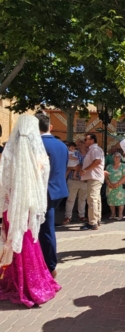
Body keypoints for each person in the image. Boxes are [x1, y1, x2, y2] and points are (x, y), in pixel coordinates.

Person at [0, 115, 61, 307]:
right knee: (30, 243)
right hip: (28, 207)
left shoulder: (9, 154)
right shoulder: (40, 155)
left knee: (14, 242)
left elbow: (3, 183)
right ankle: (33, 282)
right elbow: (42, 183)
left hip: (11, 208)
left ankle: (13, 280)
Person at [36, 112, 69, 278]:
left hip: (44, 192)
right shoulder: (61, 145)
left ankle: (50, 266)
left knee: (45, 230)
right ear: (50, 126)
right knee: (45, 228)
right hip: (59, 190)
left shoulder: (38, 144)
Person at [80, 134, 105, 231]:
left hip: (94, 177)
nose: (85, 141)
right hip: (94, 177)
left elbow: (97, 161)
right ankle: (96, 220)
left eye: (86, 139)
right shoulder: (93, 149)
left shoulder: (95, 149)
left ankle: (93, 222)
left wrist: (85, 170)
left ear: (92, 140)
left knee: (92, 199)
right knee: (96, 199)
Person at [63, 139, 88, 224]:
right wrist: (74, 168)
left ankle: (81, 216)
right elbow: (66, 166)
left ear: (85, 144)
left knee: (82, 199)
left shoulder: (89, 154)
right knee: (70, 199)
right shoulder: (73, 153)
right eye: (79, 143)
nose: (80, 145)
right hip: (73, 179)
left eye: (82, 143)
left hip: (84, 180)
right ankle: (68, 217)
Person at [105, 152, 125, 220]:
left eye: (118, 157)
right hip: (110, 186)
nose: (116, 158)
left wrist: (118, 184)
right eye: (115, 157)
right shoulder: (108, 166)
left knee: (121, 201)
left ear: (120, 158)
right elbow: (105, 177)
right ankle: (113, 214)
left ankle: (120, 214)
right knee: (111, 201)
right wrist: (109, 184)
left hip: (120, 186)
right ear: (113, 158)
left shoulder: (123, 166)